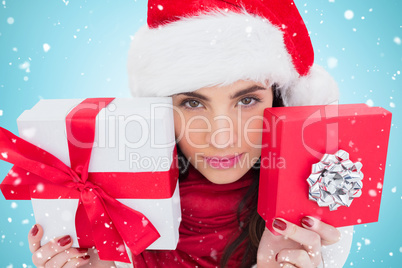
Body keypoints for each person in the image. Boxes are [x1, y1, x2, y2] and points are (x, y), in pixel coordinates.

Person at [27, 0, 354, 267]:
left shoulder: (315, 225)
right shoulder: (104, 207)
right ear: (160, 110)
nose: (221, 138)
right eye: (193, 102)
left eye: (248, 100)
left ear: (280, 103)